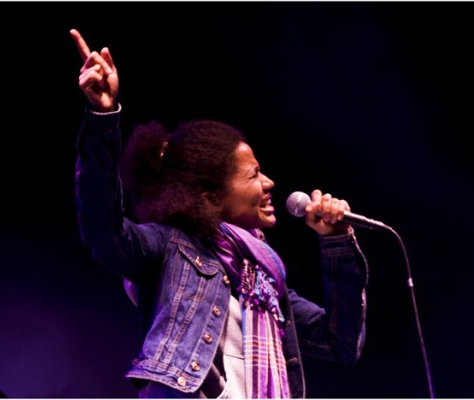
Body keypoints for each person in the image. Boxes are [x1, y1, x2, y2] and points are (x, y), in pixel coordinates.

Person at [70, 28, 369, 399]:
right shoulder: (171, 247)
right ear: (211, 193)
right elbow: (104, 231)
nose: (269, 182)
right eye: (254, 174)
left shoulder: (263, 280)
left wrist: (337, 242)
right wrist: (103, 118)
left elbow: (340, 343)